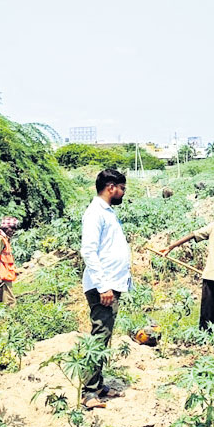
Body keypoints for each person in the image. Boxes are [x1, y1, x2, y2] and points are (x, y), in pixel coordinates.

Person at [79, 169, 132, 409]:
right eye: (121, 188)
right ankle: (89, 393)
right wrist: (103, 286)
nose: (123, 193)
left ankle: (98, 385)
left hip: (110, 284)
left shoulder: (106, 212)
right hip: (104, 286)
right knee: (99, 337)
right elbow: (89, 251)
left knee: (105, 336)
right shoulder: (95, 213)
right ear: (111, 187)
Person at [159, 208, 214, 331]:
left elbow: (192, 235)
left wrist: (171, 247)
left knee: (207, 316)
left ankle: (203, 340)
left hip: (211, 275)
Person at [0, 216, 21, 305]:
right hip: (1, 275)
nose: (14, 231)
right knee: (10, 301)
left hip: (4, 274)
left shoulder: (4, 239)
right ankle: (9, 317)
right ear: (6, 229)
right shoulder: (0, 239)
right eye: (12, 229)